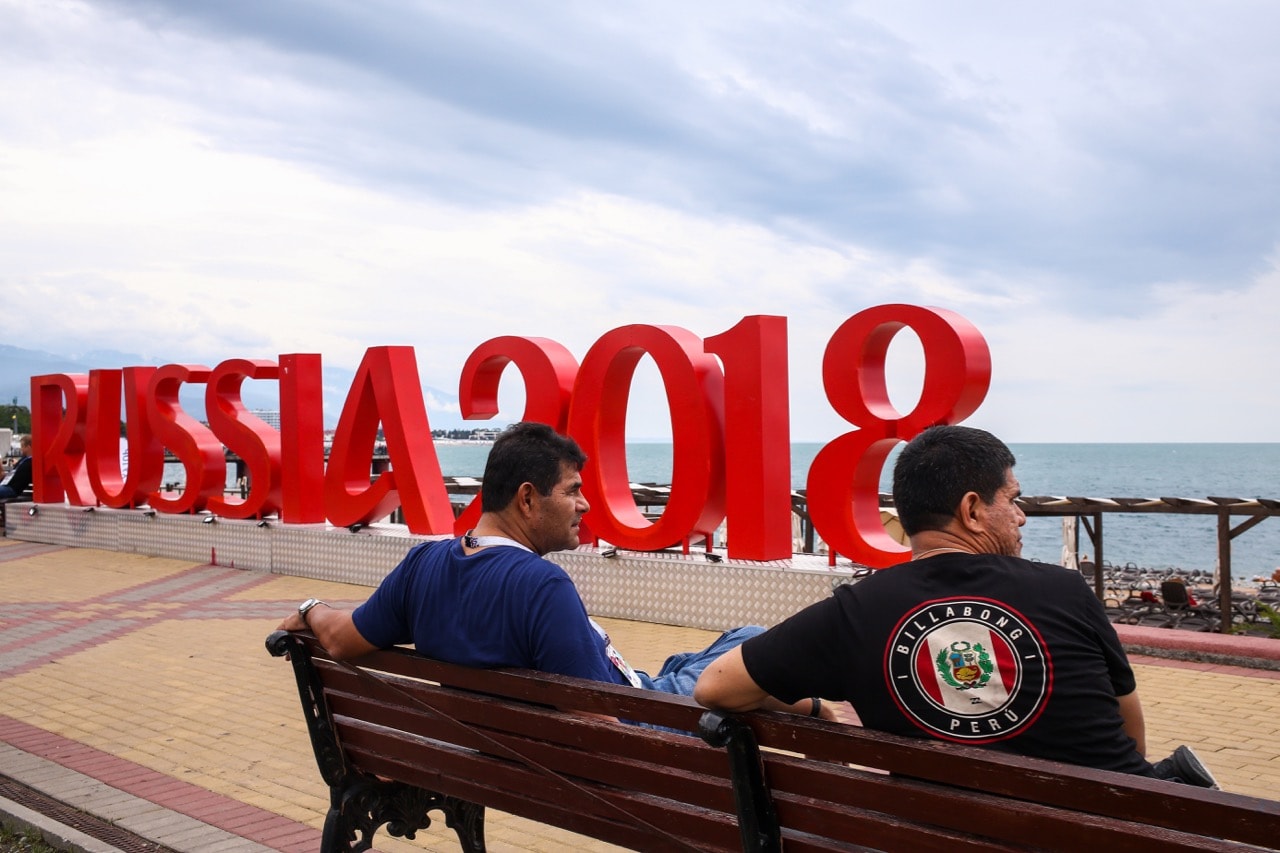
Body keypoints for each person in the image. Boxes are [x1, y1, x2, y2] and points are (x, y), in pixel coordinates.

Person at [694, 424, 1217, 787]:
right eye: (1012, 499)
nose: (1022, 517)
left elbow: (715, 687)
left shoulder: (856, 611)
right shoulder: (1065, 592)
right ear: (971, 509)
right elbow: (1133, 741)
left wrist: (813, 707)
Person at [278, 421, 825, 720]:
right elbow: (603, 722)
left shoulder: (423, 564)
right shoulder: (540, 586)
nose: (585, 505)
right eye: (572, 491)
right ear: (527, 499)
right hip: (644, 723)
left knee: (723, 646)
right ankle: (826, 710)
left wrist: (310, 610)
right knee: (759, 648)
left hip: (504, 754)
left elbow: (344, 640)